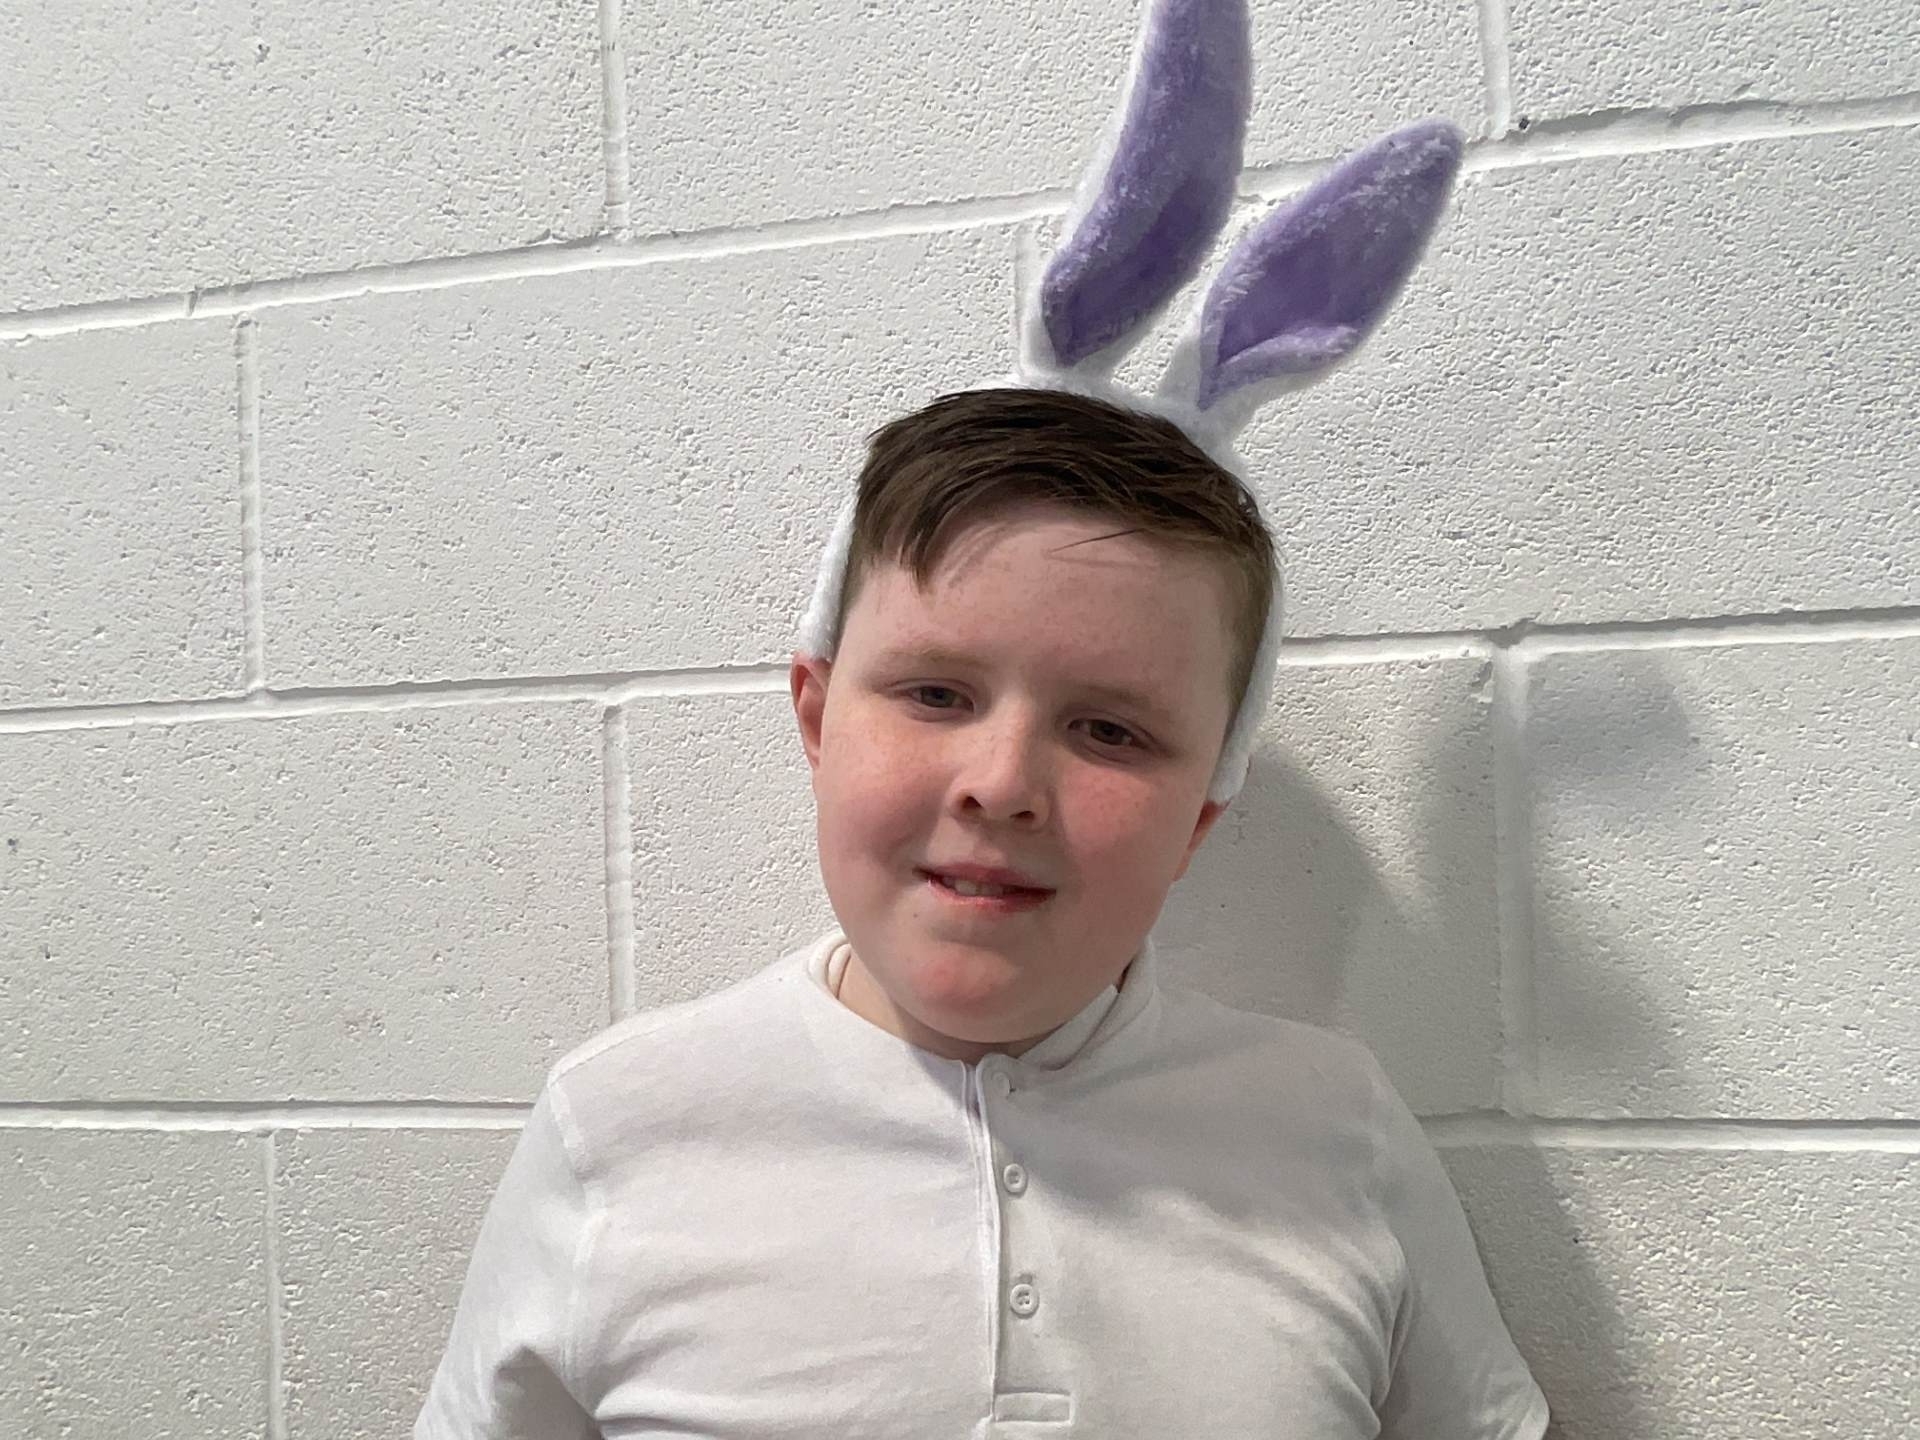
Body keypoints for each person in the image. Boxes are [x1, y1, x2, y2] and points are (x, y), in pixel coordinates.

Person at [417, 2, 1550, 1434]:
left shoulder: (1340, 1137)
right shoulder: (620, 1130)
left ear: (1206, 809)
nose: (1003, 781)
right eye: (937, 693)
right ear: (816, 714)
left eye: (1113, 731)